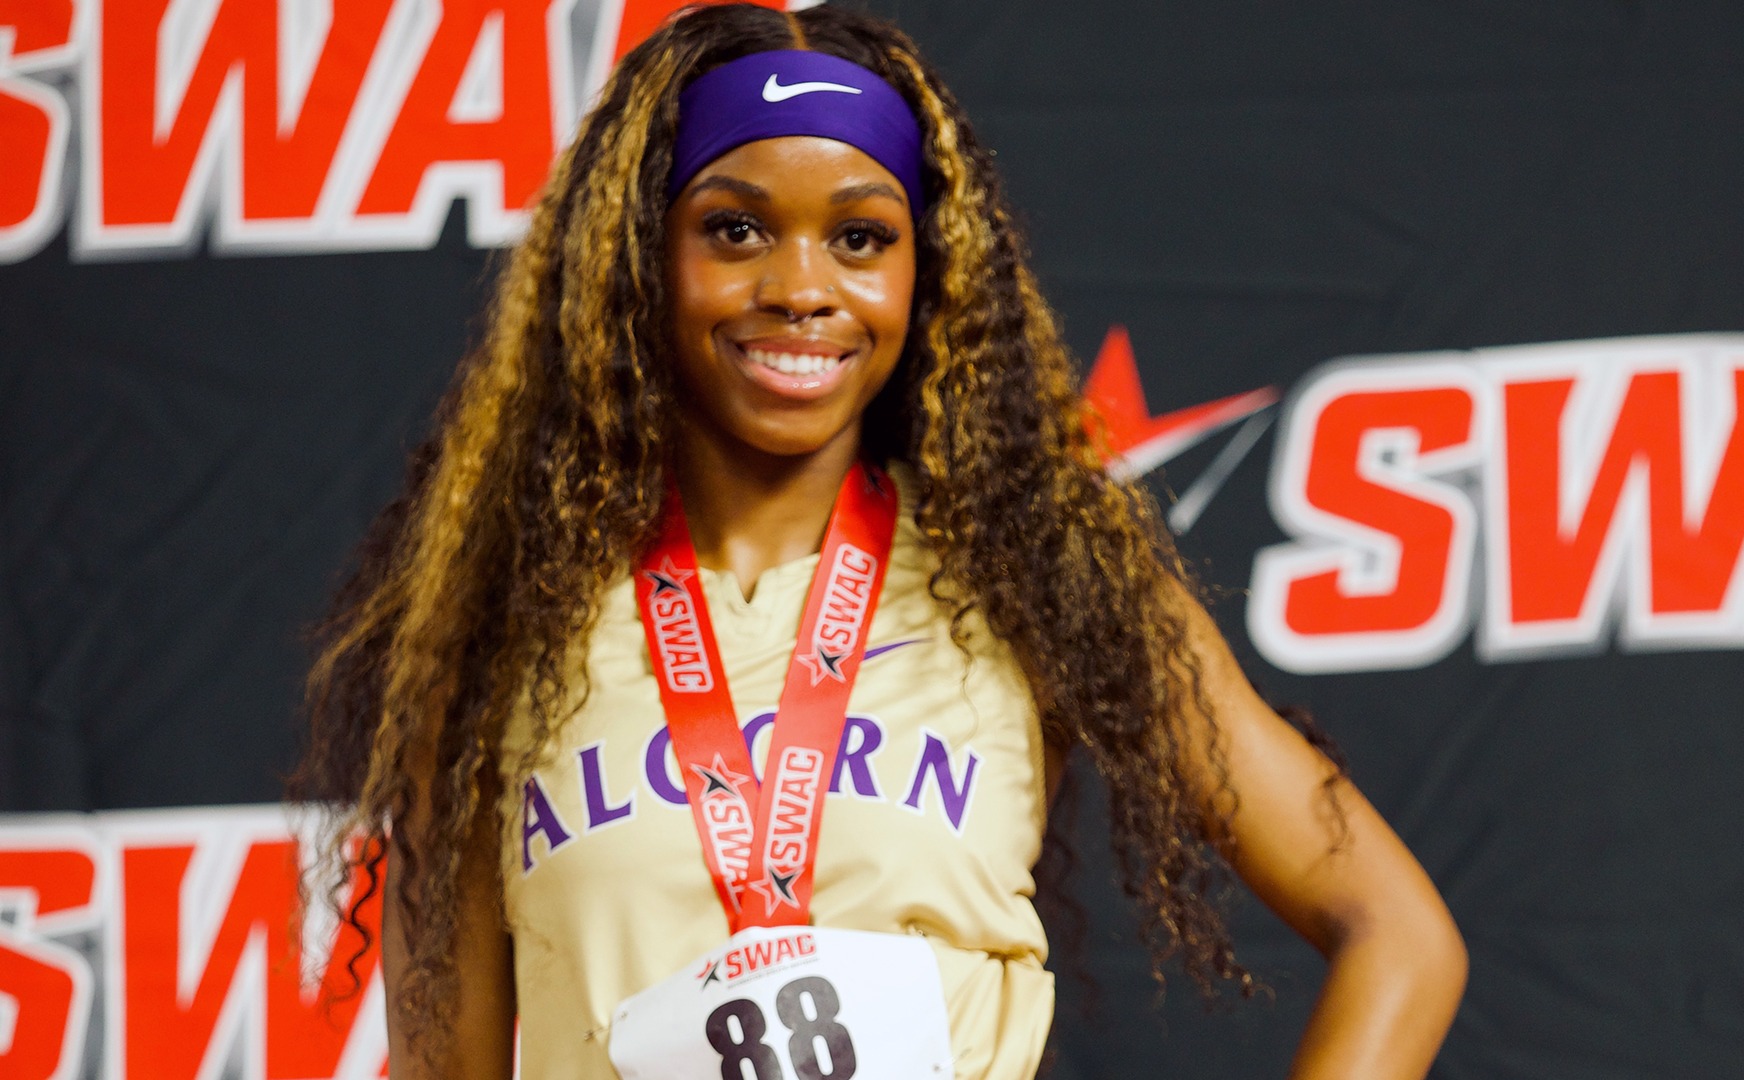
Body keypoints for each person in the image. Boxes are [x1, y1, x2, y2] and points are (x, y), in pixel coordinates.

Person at [295, 4, 1467, 1078]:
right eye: (736, 228)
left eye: (860, 237)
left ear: (927, 270)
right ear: (638, 260)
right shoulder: (509, 632)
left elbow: (1398, 935)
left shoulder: (1037, 580)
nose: (803, 287)